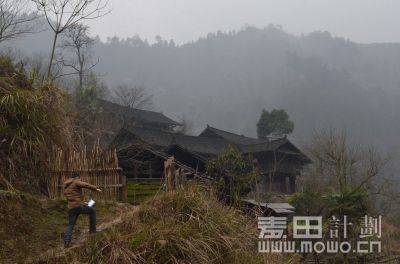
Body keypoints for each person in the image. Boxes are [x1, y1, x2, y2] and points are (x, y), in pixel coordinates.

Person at [63, 172, 102, 248]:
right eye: (80, 179)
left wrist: (83, 202)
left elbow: (73, 197)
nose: (80, 180)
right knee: (92, 211)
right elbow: (86, 185)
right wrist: (96, 188)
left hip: (71, 208)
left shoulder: (67, 186)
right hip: (78, 206)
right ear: (77, 177)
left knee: (70, 225)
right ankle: (92, 232)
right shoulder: (76, 181)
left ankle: (67, 242)